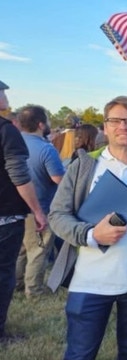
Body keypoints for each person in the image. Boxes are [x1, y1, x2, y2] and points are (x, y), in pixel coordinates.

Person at [47, 96, 127, 360]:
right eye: (115, 120)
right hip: (88, 281)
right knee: (79, 356)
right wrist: (91, 235)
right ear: (105, 127)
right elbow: (57, 215)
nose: (122, 126)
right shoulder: (83, 166)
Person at [0, 80, 47, 343]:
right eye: (2, 92)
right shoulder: (6, 130)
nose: (5, 96)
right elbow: (19, 175)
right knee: (3, 273)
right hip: (5, 215)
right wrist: (37, 211)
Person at [15, 106, 65, 298]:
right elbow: (58, 179)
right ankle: (34, 290)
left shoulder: (13, 142)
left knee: (21, 250)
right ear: (41, 124)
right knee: (38, 250)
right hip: (40, 208)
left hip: (16, 207)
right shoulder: (46, 149)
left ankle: (16, 283)